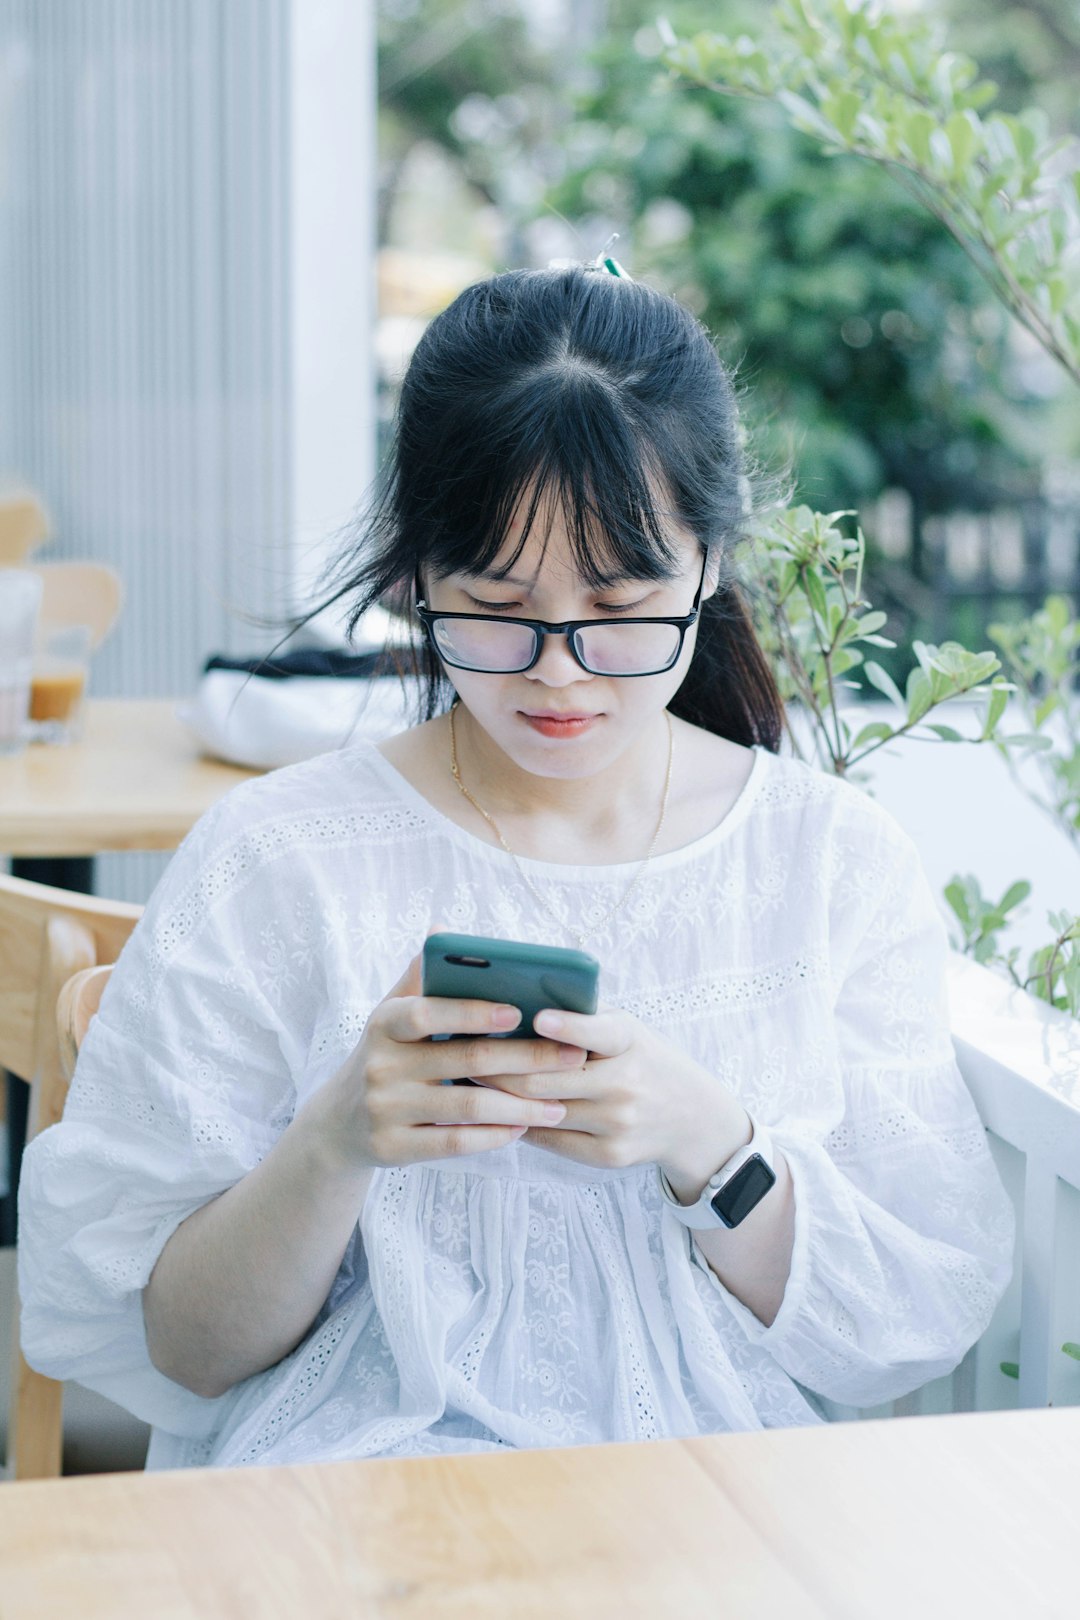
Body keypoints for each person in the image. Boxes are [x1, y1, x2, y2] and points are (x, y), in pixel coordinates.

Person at [18, 265, 1014, 1469]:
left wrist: (713, 1143)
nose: (560, 673)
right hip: (353, 1505)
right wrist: (337, 1137)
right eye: (495, 607)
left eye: (620, 603)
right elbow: (179, 1346)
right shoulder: (278, 859)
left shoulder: (827, 862)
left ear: (710, 569)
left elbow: (911, 1318)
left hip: (723, 1509)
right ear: (412, 579)